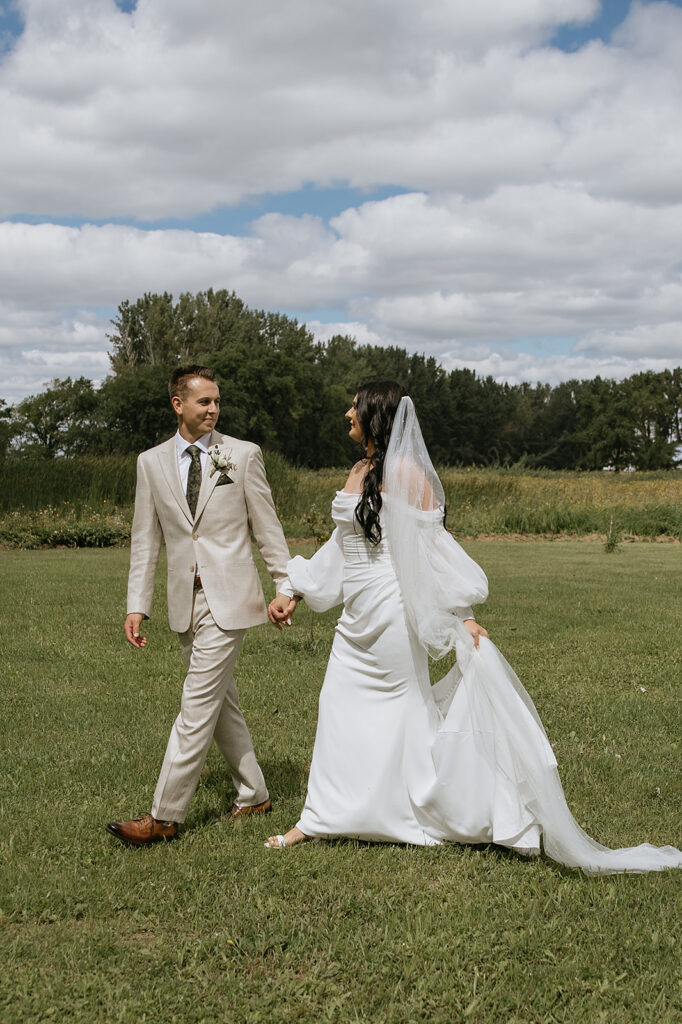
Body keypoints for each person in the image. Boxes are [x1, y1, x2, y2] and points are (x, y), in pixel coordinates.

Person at [265, 381, 682, 874]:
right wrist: (295, 587)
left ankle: (428, 808)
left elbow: (432, 550)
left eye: (355, 404)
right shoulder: (359, 469)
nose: (347, 411)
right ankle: (320, 817)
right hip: (355, 616)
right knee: (338, 706)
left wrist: (462, 614)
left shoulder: (405, 472)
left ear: (374, 412)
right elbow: (343, 544)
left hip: (393, 614)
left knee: (402, 715)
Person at [107, 365, 296, 846]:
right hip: (182, 602)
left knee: (195, 707)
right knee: (221, 704)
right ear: (178, 404)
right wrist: (136, 604)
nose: (213, 410)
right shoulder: (150, 463)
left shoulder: (243, 455)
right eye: (203, 402)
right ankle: (255, 794)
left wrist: (285, 585)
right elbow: (145, 540)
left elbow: (267, 528)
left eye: (216, 402)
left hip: (230, 599)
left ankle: (164, 816)